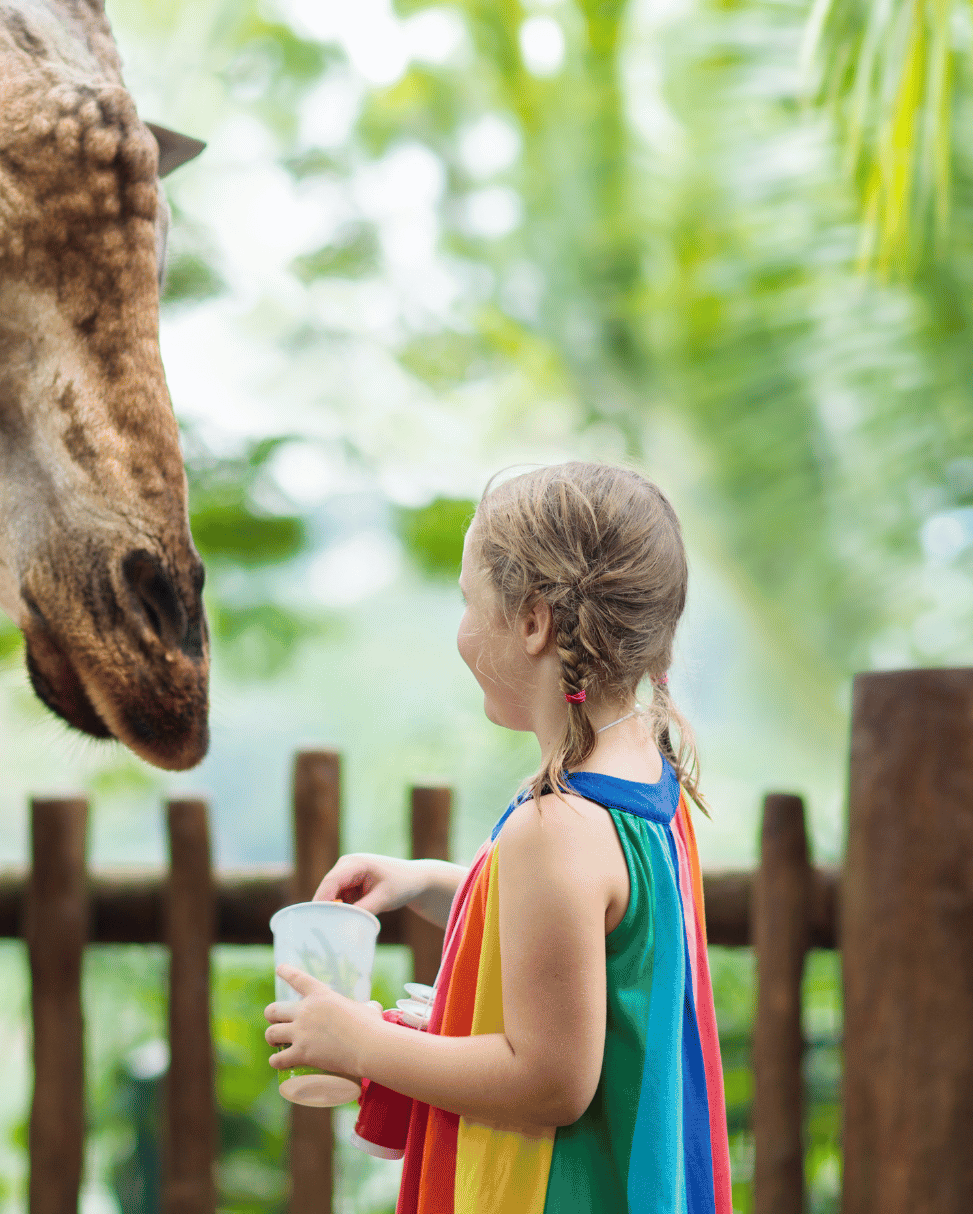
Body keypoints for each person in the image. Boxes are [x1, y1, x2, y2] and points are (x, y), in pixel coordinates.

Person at [263, 461, 733, 1213]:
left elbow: (547, 1080)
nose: (460, 628)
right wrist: (431, 882)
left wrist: (360, 1041)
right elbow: (590, 948)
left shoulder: (556, 827)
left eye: (467, 601)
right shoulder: (643, 770)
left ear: (533, 621)